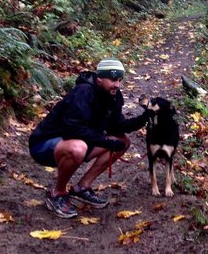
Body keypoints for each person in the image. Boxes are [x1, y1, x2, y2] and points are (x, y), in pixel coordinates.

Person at [28, 59, 149, 218]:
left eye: (119, 80)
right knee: (78, 148)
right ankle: (57, 193)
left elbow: (117, 126)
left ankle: (82, 188)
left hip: (78, 141)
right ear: (99, 79)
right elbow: (73, 129)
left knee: (123, 141)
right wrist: (107, 142)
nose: (117, 84)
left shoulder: (113, 95)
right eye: (113, 79)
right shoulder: (83, 92)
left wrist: (145, 117)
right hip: (44, 145)